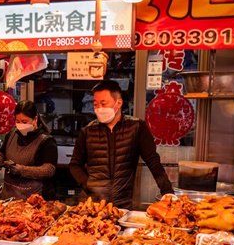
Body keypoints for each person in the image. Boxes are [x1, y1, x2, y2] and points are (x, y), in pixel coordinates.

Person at [69, 80, 173, 209]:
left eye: (103, 103)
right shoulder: (88, 131)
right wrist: (88, 186)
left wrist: (167, 191)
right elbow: (75, 165)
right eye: (95, 104)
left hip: (123, 204)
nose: (99, 108)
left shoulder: (136, 128)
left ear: (118, 103)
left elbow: (153, 161)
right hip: (93, 205)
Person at [0, 100, 57, 200]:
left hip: (34, 200)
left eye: (24, 122)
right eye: (17, 121)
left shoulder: (46, 141)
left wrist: (22, 170)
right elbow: (2, 153)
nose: (20, 125)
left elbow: (49, 170)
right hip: (8, 197)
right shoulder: (12, 134)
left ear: (35, 119)